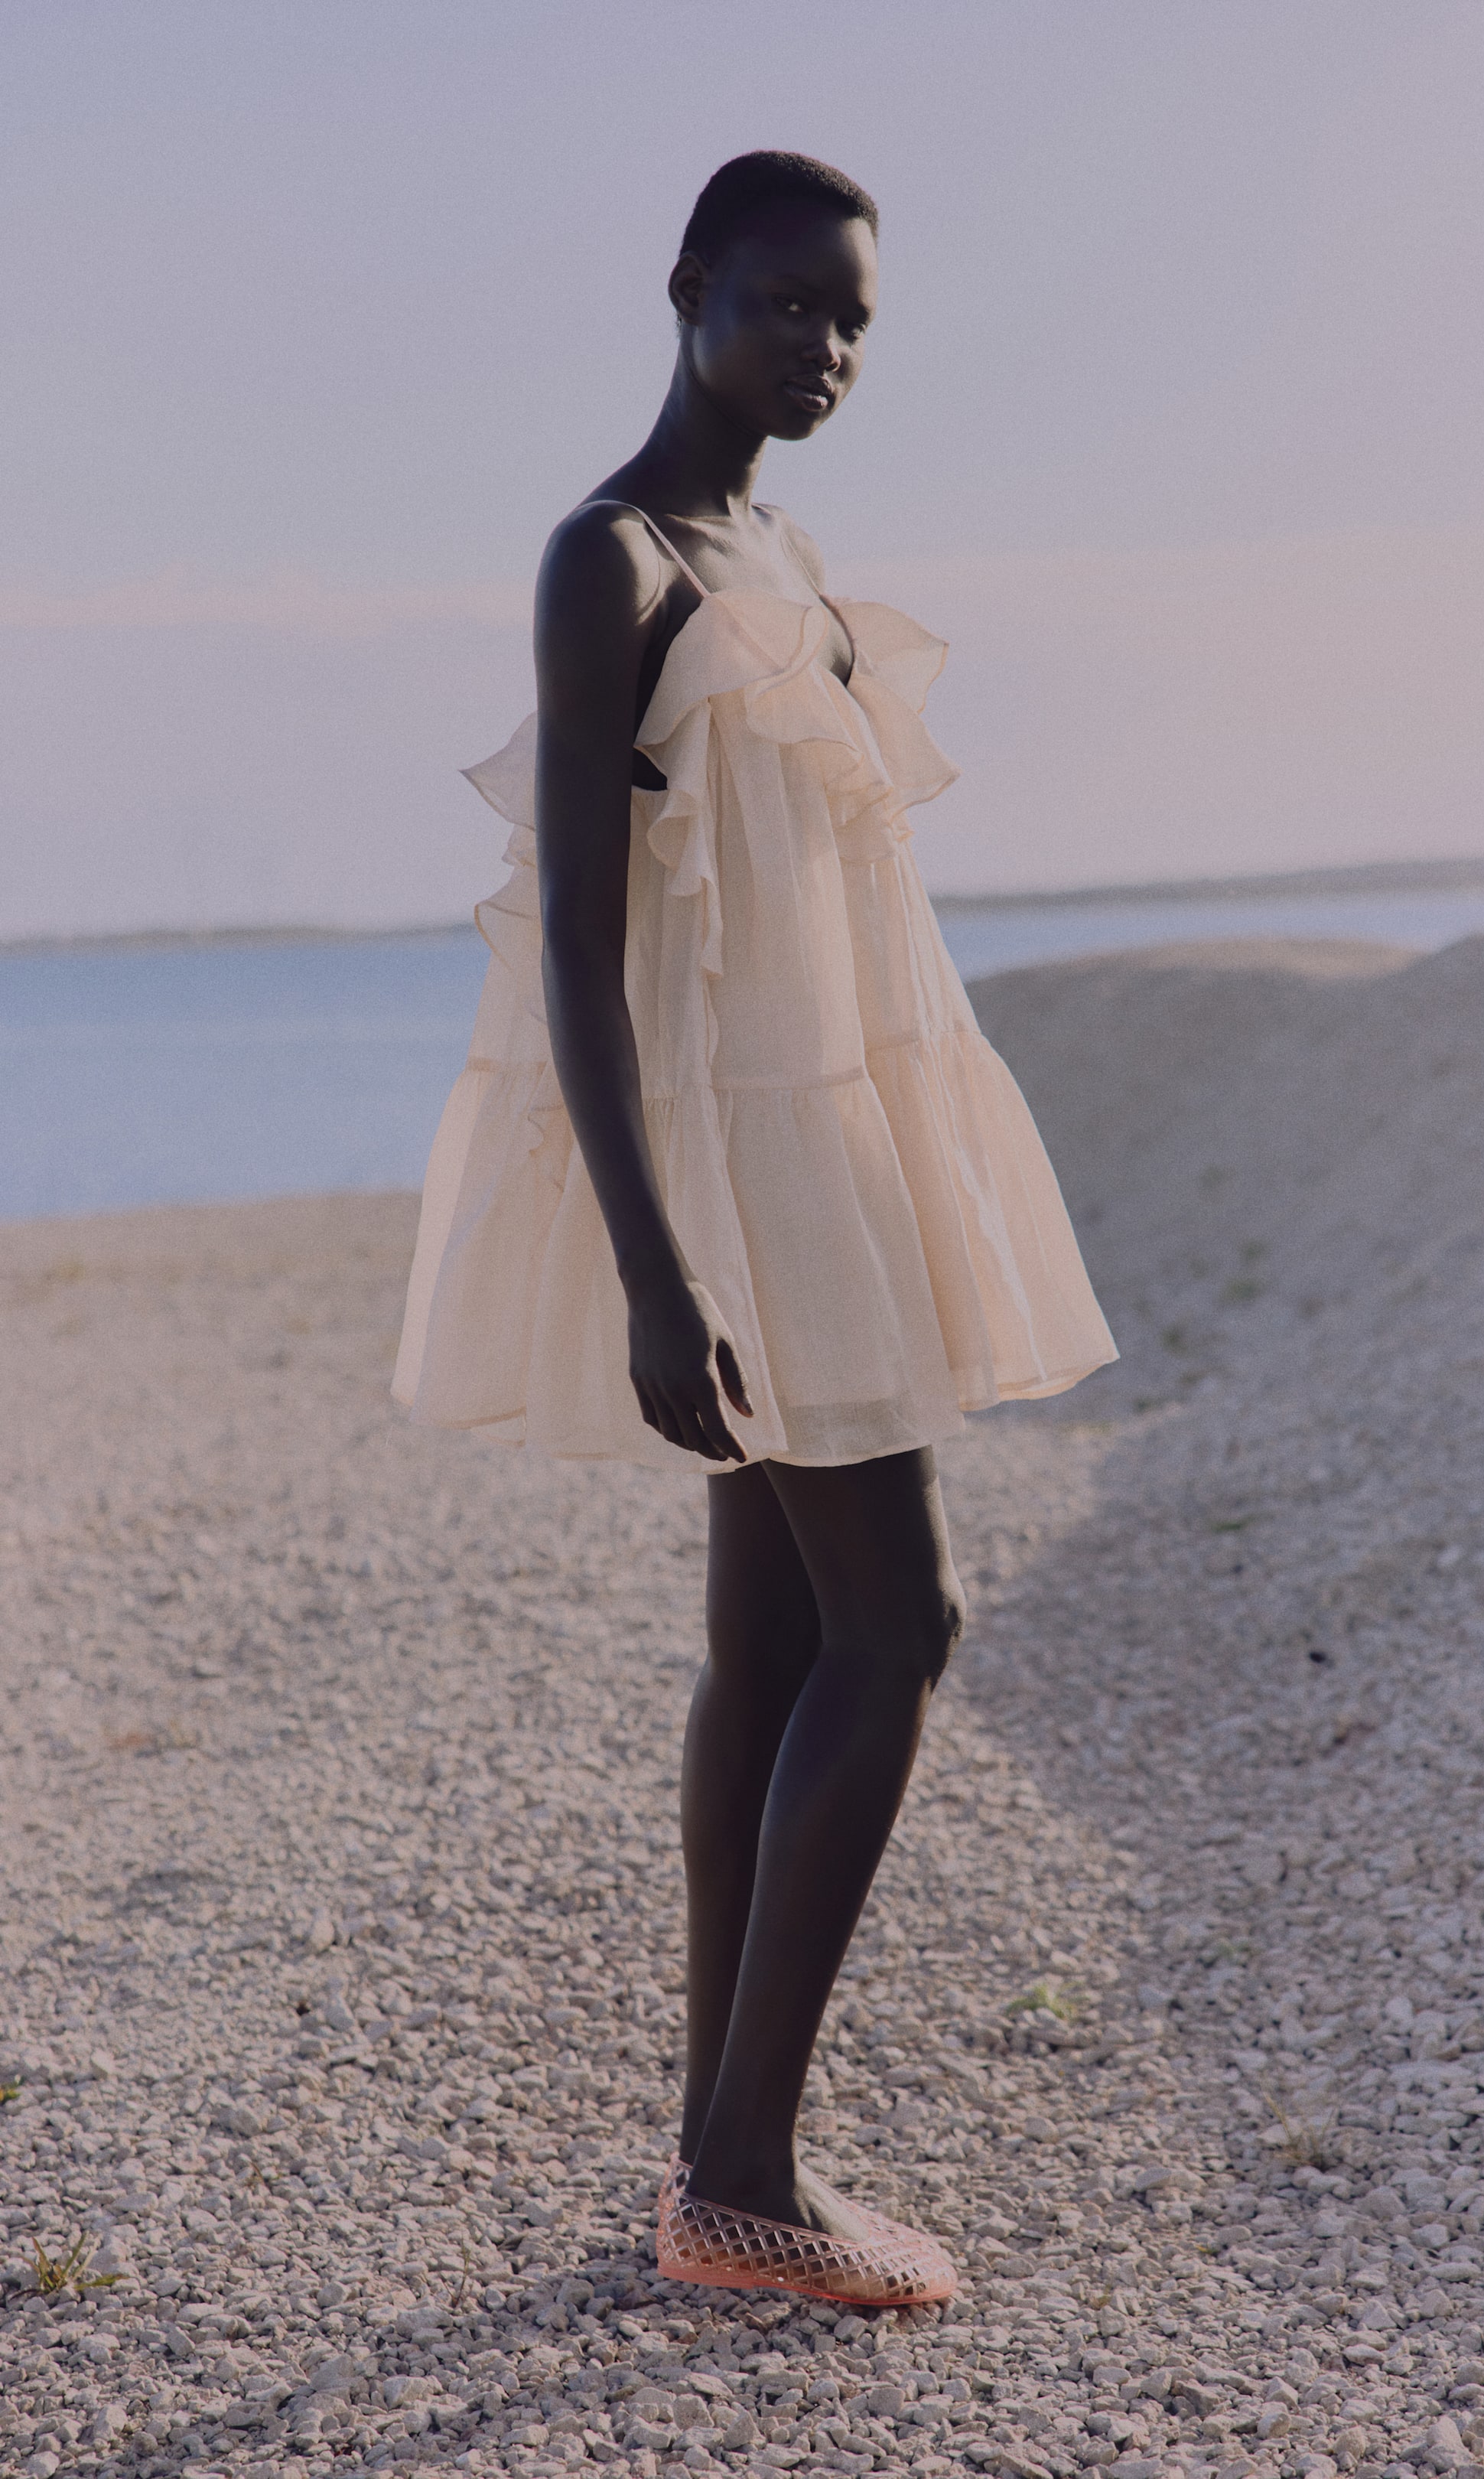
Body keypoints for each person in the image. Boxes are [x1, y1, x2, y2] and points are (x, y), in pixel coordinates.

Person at [393, 151, 1116, 2305]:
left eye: (855, 319)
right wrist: (653, 1265)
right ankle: (742, 2176)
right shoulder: (606, 557)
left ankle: (716, 2156)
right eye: (788, 304)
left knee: (781, 1647)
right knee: (905, 1627)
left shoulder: (787, 554)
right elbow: (578, 949)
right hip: (731, 1172)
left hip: (838, 1139)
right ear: (691, 288)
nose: (825, 350)